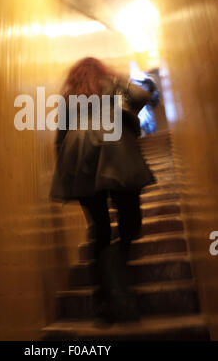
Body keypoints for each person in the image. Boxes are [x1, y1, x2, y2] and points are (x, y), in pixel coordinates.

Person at [50, 57, 155, 324]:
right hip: (116, 148)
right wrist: (119, 85)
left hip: (79, 156)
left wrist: (68, 166)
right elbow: (142, 94)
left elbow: (60, 138)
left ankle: (105, 303)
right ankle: (118, 285)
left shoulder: (69, 96)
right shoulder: (114, 85)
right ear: (102, 71)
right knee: (130, 223)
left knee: (100, 230)